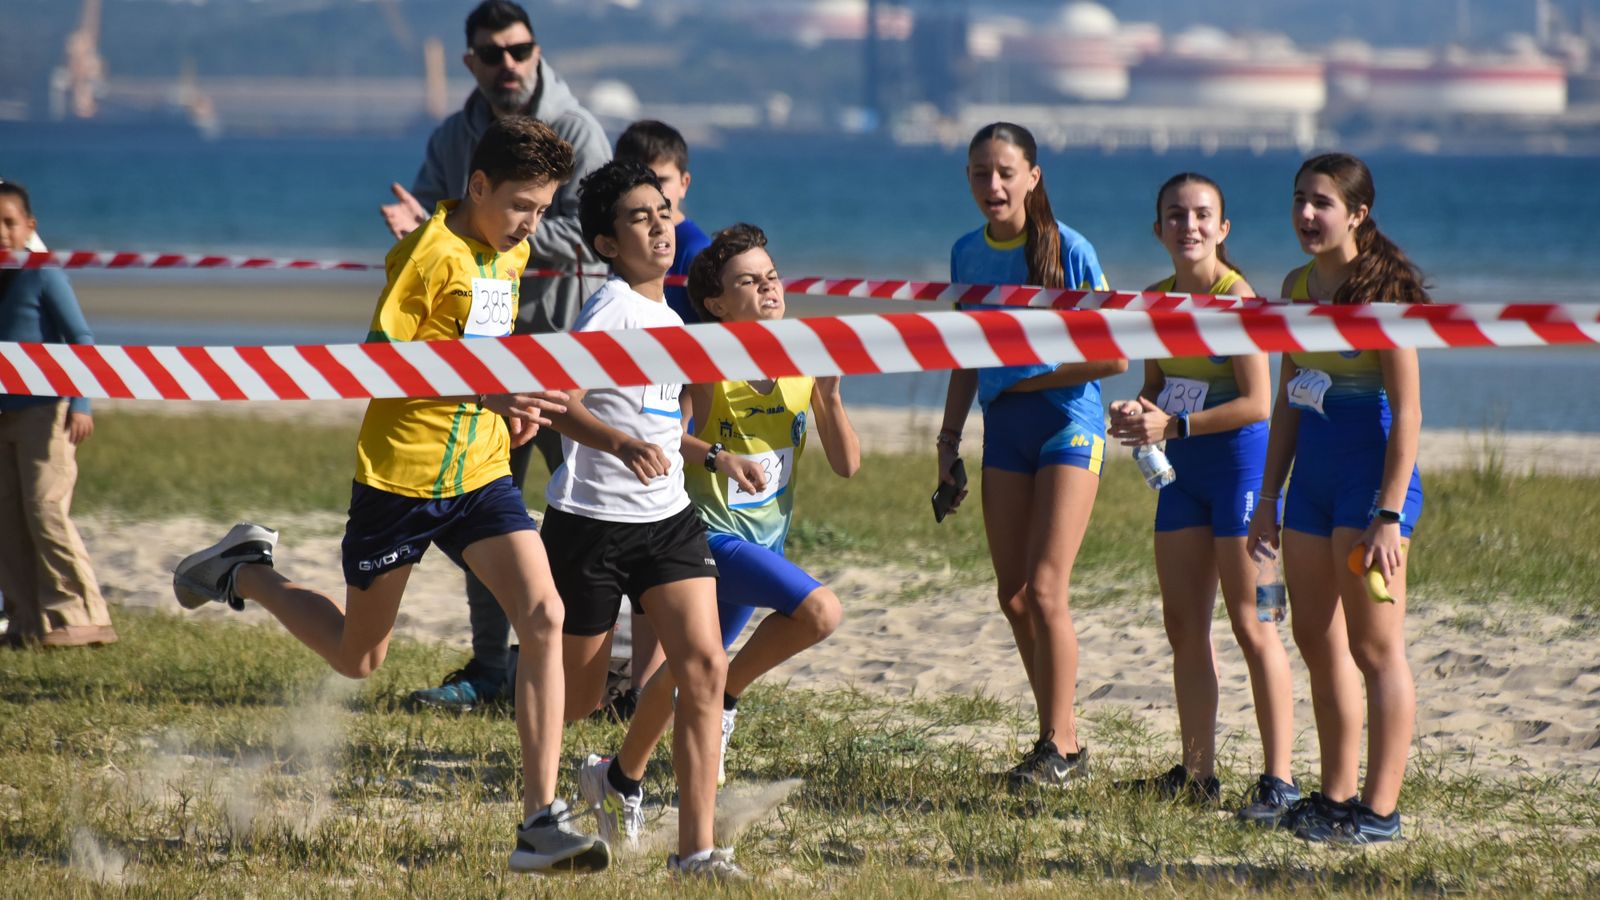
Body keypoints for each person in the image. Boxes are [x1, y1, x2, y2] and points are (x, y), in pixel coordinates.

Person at [173, 117, 609, 874]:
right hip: (400, 479)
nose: (532, 225)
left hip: (477, 476)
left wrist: (514, 403)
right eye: (520, 207)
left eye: (541, 209)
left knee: (543, 614)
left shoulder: (508, 251)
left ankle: (540, 820)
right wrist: (493, 388)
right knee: (357, 658)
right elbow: (382, 363)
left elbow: (486, 349)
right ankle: (245, 570)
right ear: (476, 187)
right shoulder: (430, 256)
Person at [578, 223, 856, 850]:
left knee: (683, 678)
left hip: (763, 544)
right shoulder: (703, 363)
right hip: (705, 536)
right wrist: (717, 457)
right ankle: (729, 697)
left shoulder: (802, 360)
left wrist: (832, 401)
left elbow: (848, 465)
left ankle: (619, 777)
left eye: (773, 277)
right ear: (714, 304)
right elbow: (664, 431)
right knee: (819, 611)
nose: (768, 289)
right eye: (748, 283)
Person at [381, 0, 613, 714]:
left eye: (519, 49)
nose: (508, 63)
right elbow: (426, 217)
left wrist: (483, 226)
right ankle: (489, 667)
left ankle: (600, 672)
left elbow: (592, 236)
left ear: (537, 51)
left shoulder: (575, 130)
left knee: (594, 516)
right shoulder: (456, 134)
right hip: (482, 364)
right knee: (485, 514)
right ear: (470, 62)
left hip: (567, 356)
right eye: (492, 52)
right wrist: (415, 231)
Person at [538, 160, 739, 880]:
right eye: (638, 217)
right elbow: (560, 399)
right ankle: (555, 798)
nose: (658, 225)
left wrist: (706, 450)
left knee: (705, 668)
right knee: (580, 699)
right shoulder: (613, 311)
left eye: (663, 211)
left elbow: (662, 420)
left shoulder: (671, 317)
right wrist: (619, 445)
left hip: (669, 521)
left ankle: (697, 853)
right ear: (606, 242)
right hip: (590, 523)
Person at [938, 122, 1126, 789]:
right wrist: (947, 441)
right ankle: (1056, 735)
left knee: (1046, 591)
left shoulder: (1069, 249)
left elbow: (1111, 355)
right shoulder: (966, 253)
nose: (993, 185)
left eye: (1005, 172)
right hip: (1003, 428)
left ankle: (1061, 744)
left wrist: (1025, 378)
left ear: (1032, 177)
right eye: (980, 173)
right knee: (1013, 596)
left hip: (1068, 421)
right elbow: (964, 355)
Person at [1247, 153, 1426, 845]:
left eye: (1322, 202)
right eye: (1298, 200)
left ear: (1356, 214)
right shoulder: (1294, 287)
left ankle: (1379, 812)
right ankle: (1334, 795)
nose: (1306, 214)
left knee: (1375, 649)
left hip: (1369, 482)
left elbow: (1408, 414)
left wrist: (1387, 513)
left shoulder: (1383, 293)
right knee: (1316, 642)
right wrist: (1269, 495)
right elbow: (1289, 401)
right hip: (1311, 483)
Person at [1108, 173, 1296, 815]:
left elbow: (1256, 402)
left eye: (1201, 215)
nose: (1188, 226)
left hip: (1242, 474)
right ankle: (1197, 776)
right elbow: (1157, 385)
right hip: (1182, 478)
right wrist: (1139, 413)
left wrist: (1175, 424)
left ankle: (1280, 780)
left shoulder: (1235, 298)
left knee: (1255, 623)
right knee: (1183, 625)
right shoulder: (1156, 300)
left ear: (1223, 229)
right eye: (1175, 215)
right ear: (1158, 228)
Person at [602, 119, 716, 718]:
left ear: (685, 184)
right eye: (640, 192)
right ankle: (634, 686)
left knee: (666, 575)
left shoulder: (693, 251)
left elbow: (698, 359)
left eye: (664, 189)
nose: (656, 208)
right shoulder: (622, 276)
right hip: (634, 428)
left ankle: (646, 685)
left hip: (678, 432)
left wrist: (687, 432)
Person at [0, 180, 117, 650]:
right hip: (3, 414)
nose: (1, 232)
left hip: (46, 412)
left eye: (9, 222)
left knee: (45, 510)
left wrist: (82, 402)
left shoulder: (43, 274)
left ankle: (84, 614)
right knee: (8, 519)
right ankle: (30, 624)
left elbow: (80, 340)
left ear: (30, 227)